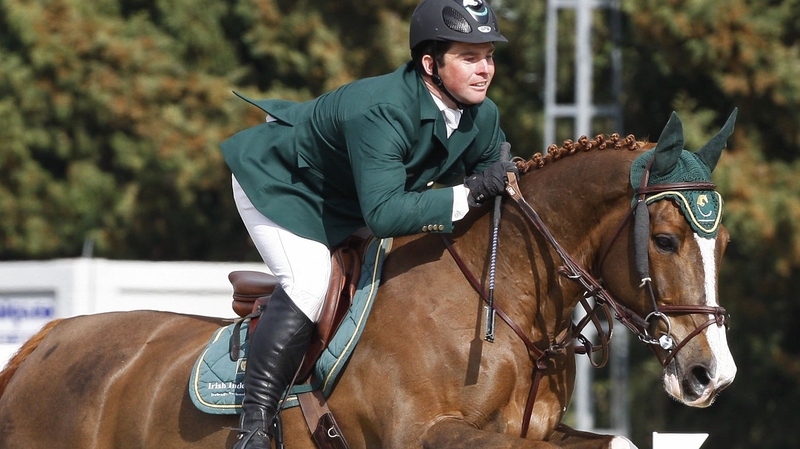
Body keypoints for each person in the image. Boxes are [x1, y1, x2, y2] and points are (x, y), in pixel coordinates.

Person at [220, 0, 517, 447]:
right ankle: (255, 424)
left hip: (353, 197)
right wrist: (469, 192)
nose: (485, 70)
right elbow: (385, 215)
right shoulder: (384, 110)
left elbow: (494, 181)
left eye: (489, 56)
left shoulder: (481, 114)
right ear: (430, 64)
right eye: (469, 57)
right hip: (284, 186)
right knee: (310, 283)